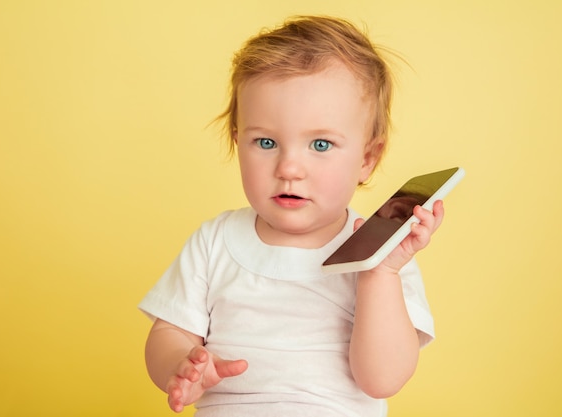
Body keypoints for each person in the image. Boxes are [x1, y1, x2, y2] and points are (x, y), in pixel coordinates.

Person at [139, 15, 443, 417]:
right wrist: (180, 364)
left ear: (367, 158)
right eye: (266, 141)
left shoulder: (382, 253)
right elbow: (170, 331)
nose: (289, 168)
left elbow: (382, 380)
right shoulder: (214, 241)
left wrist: (379, 274)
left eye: (320, 144)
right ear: (237, 142)